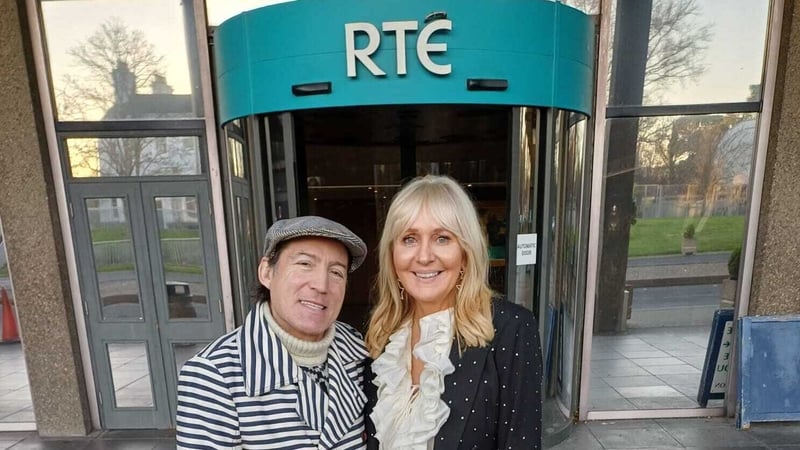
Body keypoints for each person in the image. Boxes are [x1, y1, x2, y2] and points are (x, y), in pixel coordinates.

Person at [365, 175, 543, 449]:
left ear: (465, 252)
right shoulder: (384, 338)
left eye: (442, 238)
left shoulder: (510, 328)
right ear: (392, 254)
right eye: (409, 239)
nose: (424, 256)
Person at [176, 216, 369, 449]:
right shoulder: (215, 374)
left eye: (336, 272)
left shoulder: (358, 349)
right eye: (305, 264)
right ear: (267, 272)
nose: (321, 285)